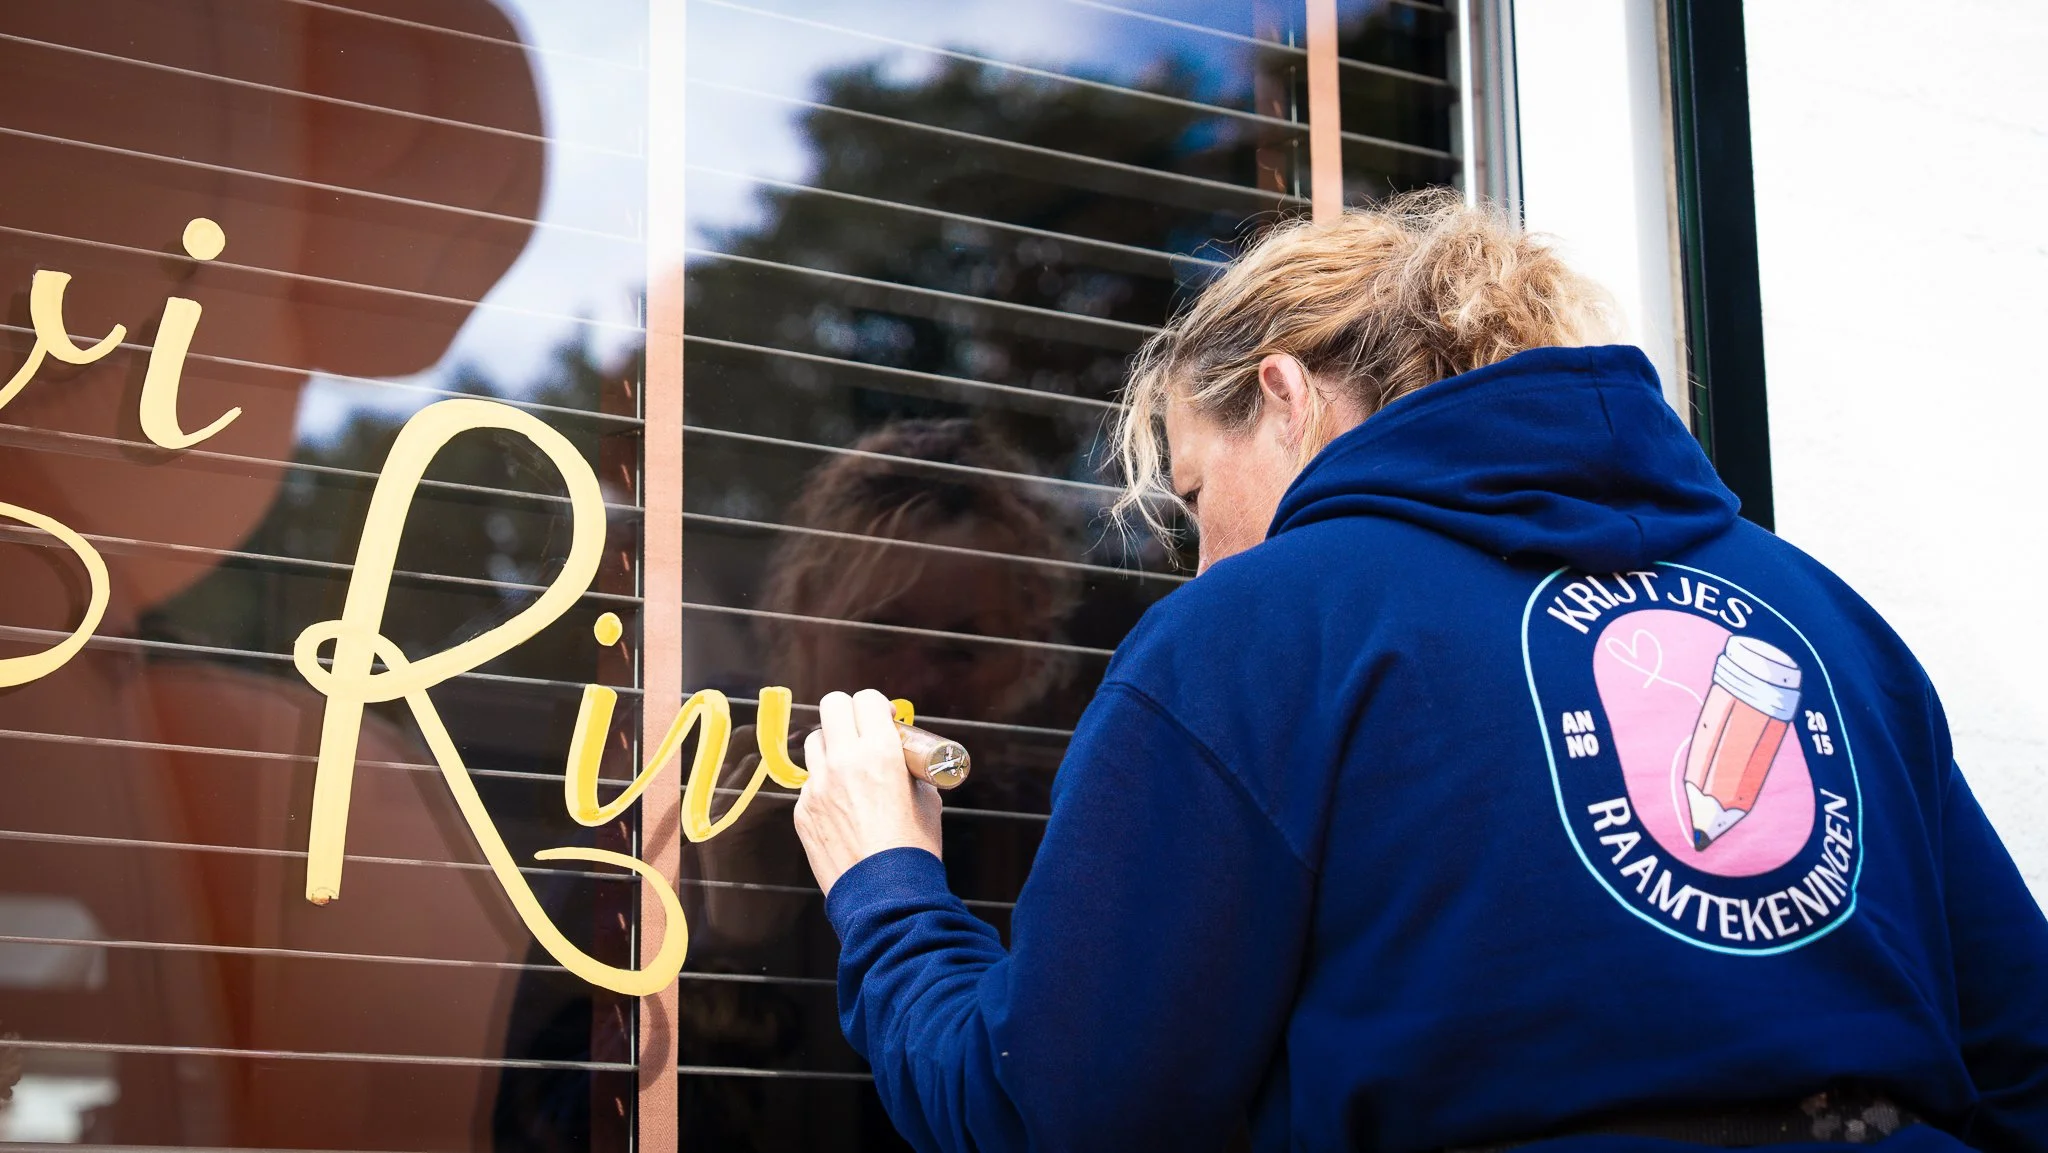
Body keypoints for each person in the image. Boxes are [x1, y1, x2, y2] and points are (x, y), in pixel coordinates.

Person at [786, 191, 2048, 1152]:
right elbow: (2022, 1056)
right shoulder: (1816, 614)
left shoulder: (1257, 630)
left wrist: (884, 885)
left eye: (1192, 492)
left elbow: (1053, 1112)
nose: (1204, 555)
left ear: (1281, 395)